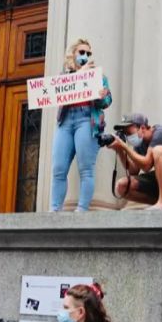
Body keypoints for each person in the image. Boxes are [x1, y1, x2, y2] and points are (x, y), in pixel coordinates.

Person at [50, 39, 112, 213]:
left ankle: (82, 210)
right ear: (73, 55)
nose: (85, 56)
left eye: (88, 53)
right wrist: (81, 73)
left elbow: (107, 101)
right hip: (66, 122)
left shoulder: (99, 77)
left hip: (86, 120)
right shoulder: (64, 76)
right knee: (58, 169)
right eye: (82, 52)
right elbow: (57, 91)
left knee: (86, 169)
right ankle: (54, 210)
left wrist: (101, 96)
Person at [106, 113, 162, 209]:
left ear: (143, 128)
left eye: (129, 132)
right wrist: (119, 150)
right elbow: (133, 170)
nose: (127, 136)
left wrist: (124, 147)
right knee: (122, 186)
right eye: (125, 133)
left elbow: (146, 165)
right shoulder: (139, 144)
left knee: (159, 150)